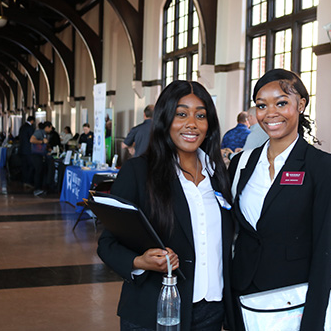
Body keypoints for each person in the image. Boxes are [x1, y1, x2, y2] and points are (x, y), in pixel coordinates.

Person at [97, 80, 235, 331]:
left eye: (201, 116)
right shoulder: (138, 172)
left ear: (209, 124)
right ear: (164, 119)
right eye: (181, 114)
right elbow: (107, 244)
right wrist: (140, 261)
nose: (192, 123)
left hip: (211, 312)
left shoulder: (219, 176)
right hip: (156, 311)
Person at [228, 69, 331, 330]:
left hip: (292, 300)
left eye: (281, 102)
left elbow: (325, 248)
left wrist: (313, 318)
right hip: (243, 293)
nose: (271, 113)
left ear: (300, 104)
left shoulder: (320, 166)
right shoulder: (241, 164)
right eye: (261, 105)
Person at [30, 121, 53, 196]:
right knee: (38, 171)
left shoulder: (45, 134)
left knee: (41, 171)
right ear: (47, 127)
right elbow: (32, 140)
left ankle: (40, 188)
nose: (51, 129)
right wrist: (42, 141)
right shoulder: (39, 132)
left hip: (41, 154)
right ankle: (37, 189)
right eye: (51, 128)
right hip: (36, 155)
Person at [18, 115, 36, 188]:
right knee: (31, 165)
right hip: (28, 150)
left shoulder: (22, 127)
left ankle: (23, 180)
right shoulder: (30, 128)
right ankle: (28, 181)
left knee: (24, 166)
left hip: (21, 150)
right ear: (32, 121)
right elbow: (32, 139)